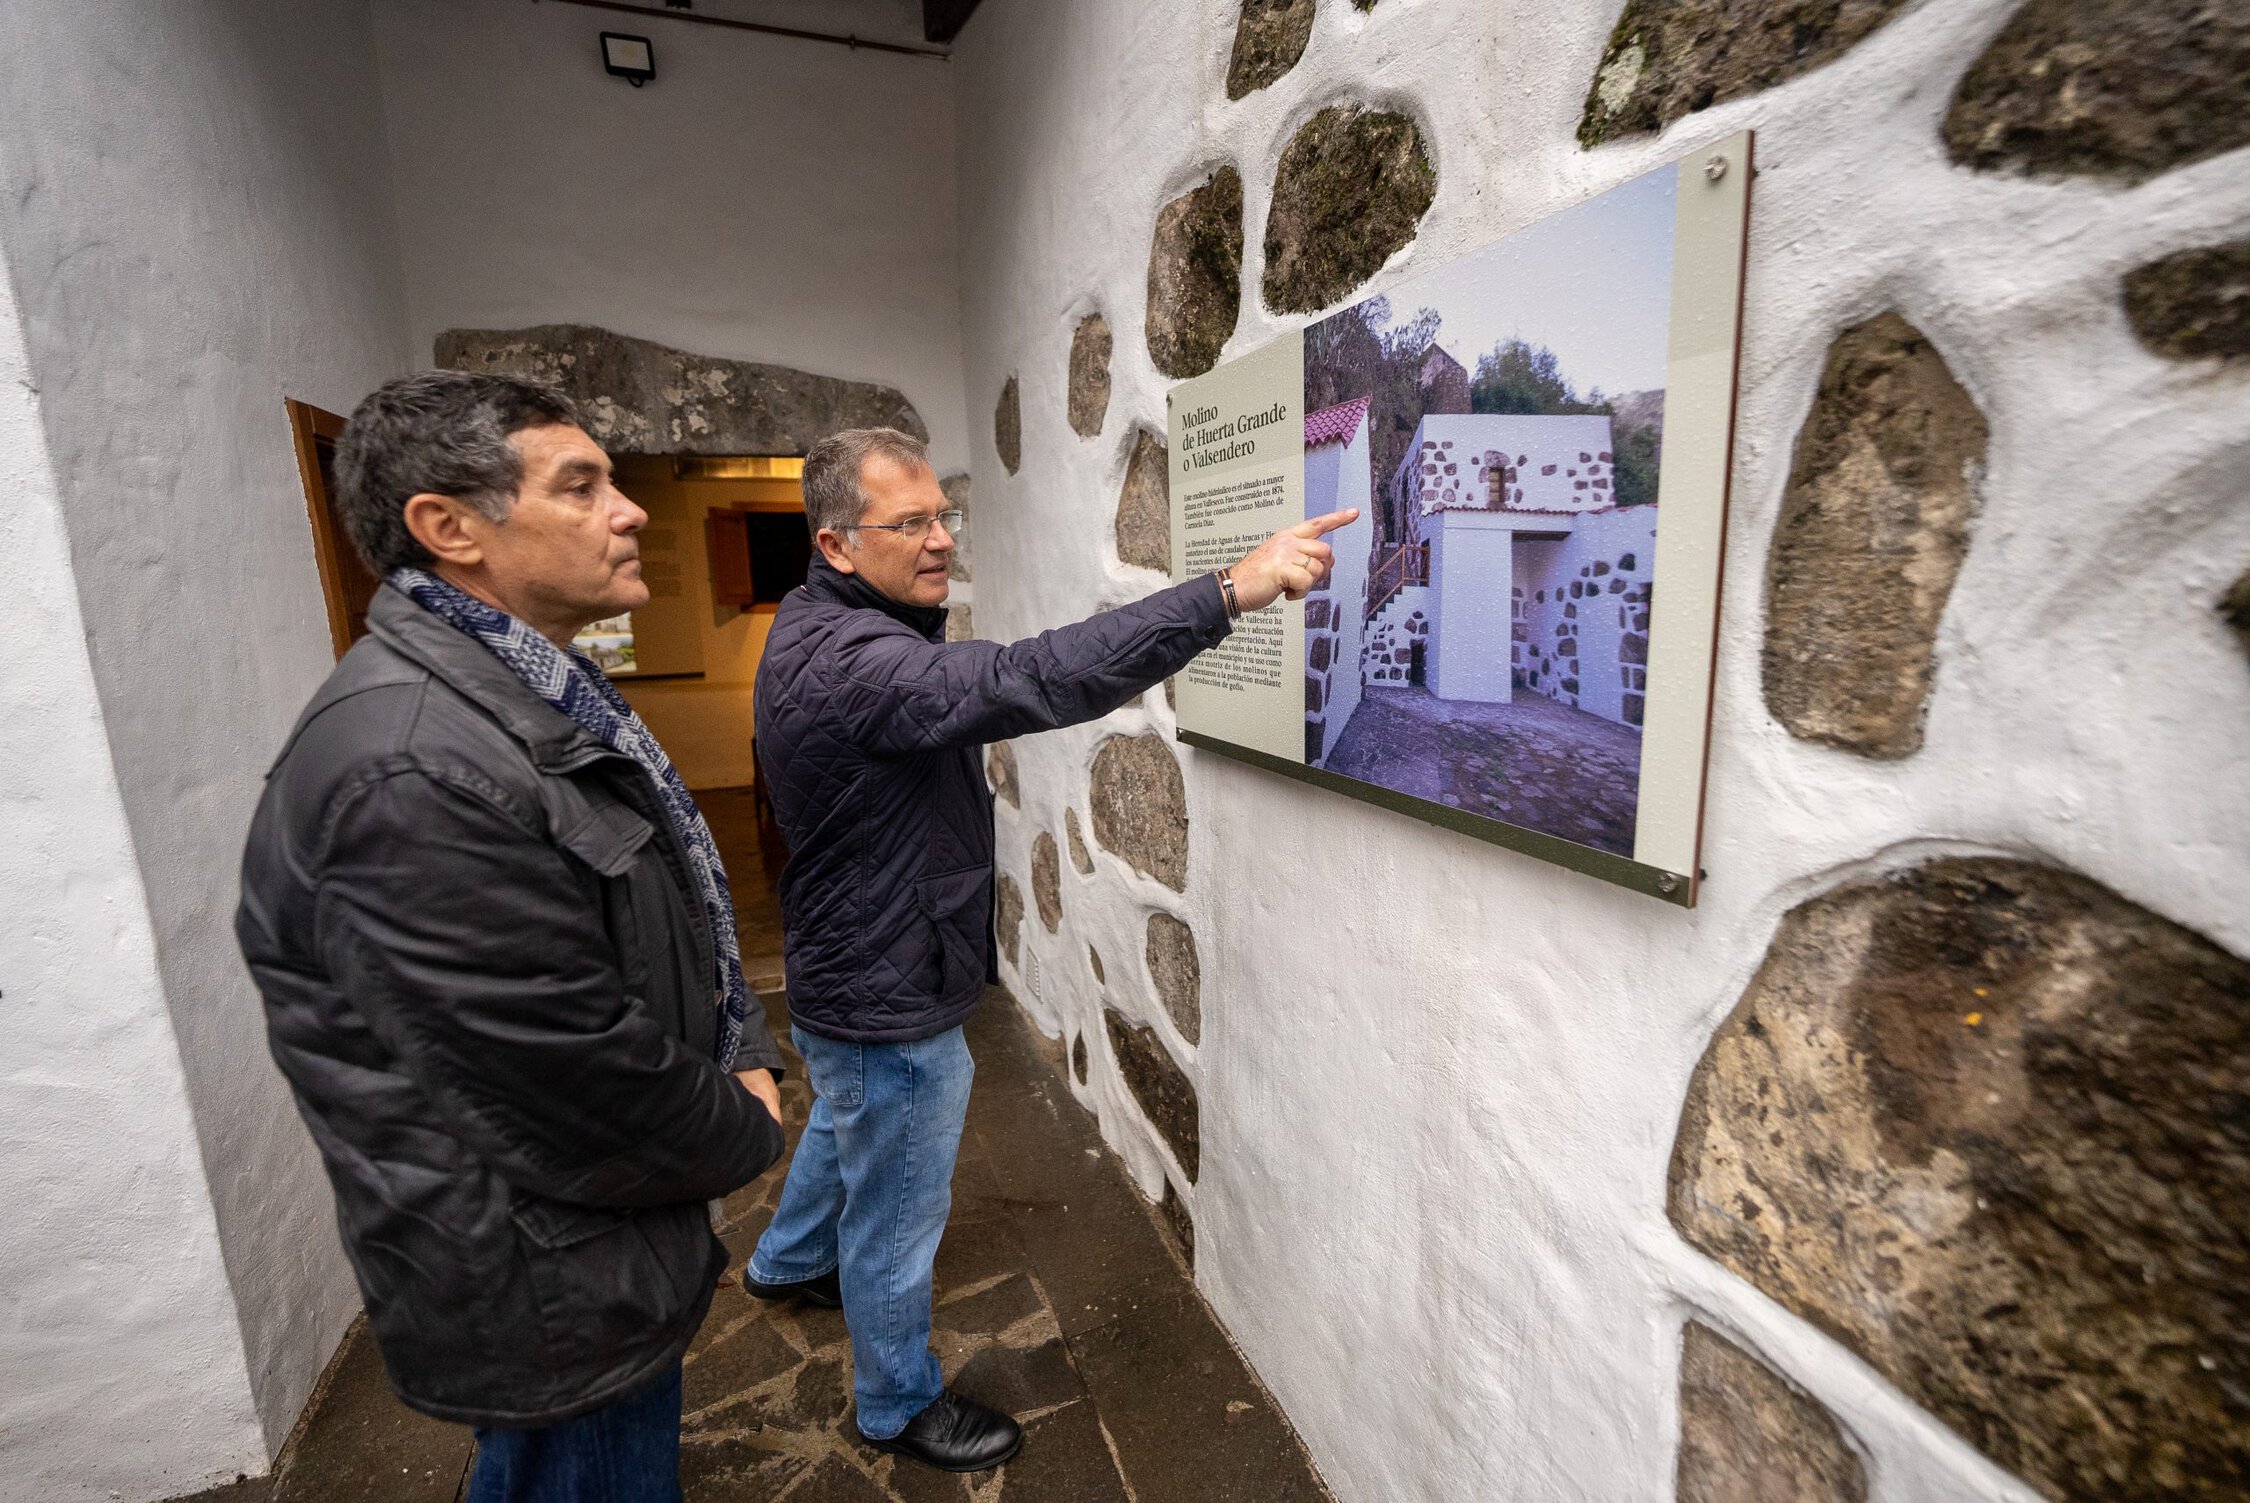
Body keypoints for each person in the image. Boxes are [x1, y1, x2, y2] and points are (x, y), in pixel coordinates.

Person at [746, 425, 1354, 1472]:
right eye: (912, 524)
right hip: (884, 976)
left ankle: (784, 1260)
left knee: (848, 1115)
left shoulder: (816, 618)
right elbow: (1029, 679)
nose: (941, 540)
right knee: (895, 1203)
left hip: (853, 961)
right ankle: (895, 1405)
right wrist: (1226, 592)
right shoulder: (855, 659)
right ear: (839, 545)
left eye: (946, 516)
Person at [236, 372, 790, 1503]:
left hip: (578, 1248)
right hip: (545, 1273)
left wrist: (738, 1036)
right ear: (449, 528)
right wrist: (742, 1124)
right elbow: (556, 1072)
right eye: (581, 485)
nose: (629, 509)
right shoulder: (410, 766)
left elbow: (648, 916)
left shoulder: (528, 688)